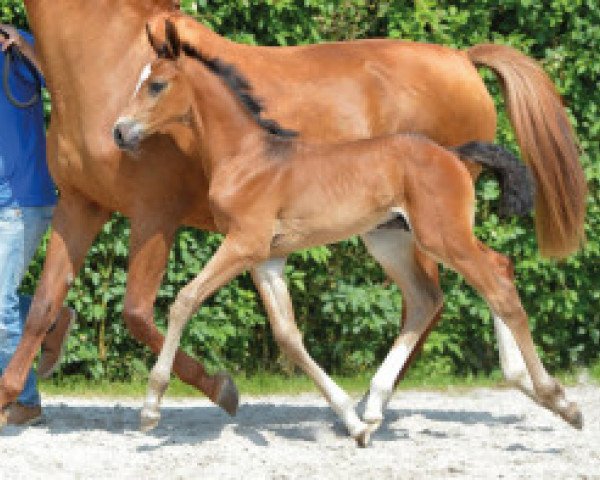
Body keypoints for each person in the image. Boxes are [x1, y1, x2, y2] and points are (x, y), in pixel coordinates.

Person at [0, 24, 74, 426]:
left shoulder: (17, 53)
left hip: (20, 201)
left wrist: (25, 46)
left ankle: (23, 400)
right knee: (4, 299)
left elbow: (64, 84)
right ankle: (50, 317)